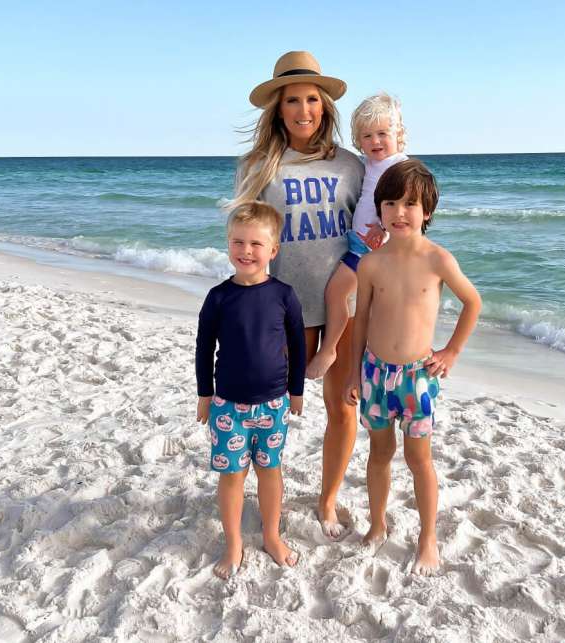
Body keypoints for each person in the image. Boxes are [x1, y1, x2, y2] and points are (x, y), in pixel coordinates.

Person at [231, 51, 365, 538]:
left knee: (343, 407)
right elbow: (246, 240)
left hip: (344, 311)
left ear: (325, 107)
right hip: (281, 310)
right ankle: (260, 499)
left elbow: (373, 233)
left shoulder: (352, 166)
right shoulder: (257, 166)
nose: (304, 109)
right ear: (278, 109)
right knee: (262, 409)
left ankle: (327, 500)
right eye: (293, 100)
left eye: (313, 99)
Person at [345, 159, 482, 575]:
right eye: (390, 203)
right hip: (374, 375)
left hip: (417, 379)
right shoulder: (371, 263)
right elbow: (361, 320)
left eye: (409, 204)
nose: (399, 212)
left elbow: (472, 302)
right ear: (379, 209)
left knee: (419, 458)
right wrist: (354, 373)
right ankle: (377, 523)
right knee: (379, 453)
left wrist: (451, 352)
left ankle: (427, 538)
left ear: (427, 212)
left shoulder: (438, 260)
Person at [196, 201, 306, 579]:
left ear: (273, 250)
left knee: (270, 469)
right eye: (238, 242)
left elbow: (297, 343)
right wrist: (204, 394)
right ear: (228, 245)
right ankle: (233, 543)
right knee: (232, 476)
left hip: (273, 403)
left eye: (256, 244)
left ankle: (272, 535)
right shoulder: (218, 297)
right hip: (227, 405)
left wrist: (296, 391)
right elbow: (203, 346)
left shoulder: (284, 295)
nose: (246, 251)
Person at [306, 93, 408, 379]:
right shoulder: (369, 163)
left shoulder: (399, 166)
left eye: (382, 134)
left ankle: (329, 350)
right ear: (358, 140)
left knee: (336, 292)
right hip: (357, 242)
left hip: (369, 247)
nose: (375, 141)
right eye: (367, 135)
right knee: (364, 304)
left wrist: (384, 227)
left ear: (398, 133)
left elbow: (406, 203)